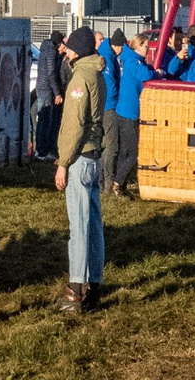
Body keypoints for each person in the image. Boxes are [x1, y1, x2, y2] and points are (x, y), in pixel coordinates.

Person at [54, 24, 106, 316]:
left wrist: (63, 162)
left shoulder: (79, 79)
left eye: (71, 47)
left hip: (80, 158)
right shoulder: (97, 74)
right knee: (94, 226)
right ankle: (94, 287)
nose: (67, 51)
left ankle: (75, 291)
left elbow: (74, 125)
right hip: (94, 156)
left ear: (79, 50)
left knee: (79, 227)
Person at [101, 29, 150, 199]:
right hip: (128, 112)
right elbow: (145, 75)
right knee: (132, 152)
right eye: (145, 46)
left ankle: (118, 184)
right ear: (137, 46)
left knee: (124, 151)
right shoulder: (133, 63)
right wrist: (157, 72)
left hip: (122, 110)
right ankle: (115, 183)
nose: (147, 49)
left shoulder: (129, 59)